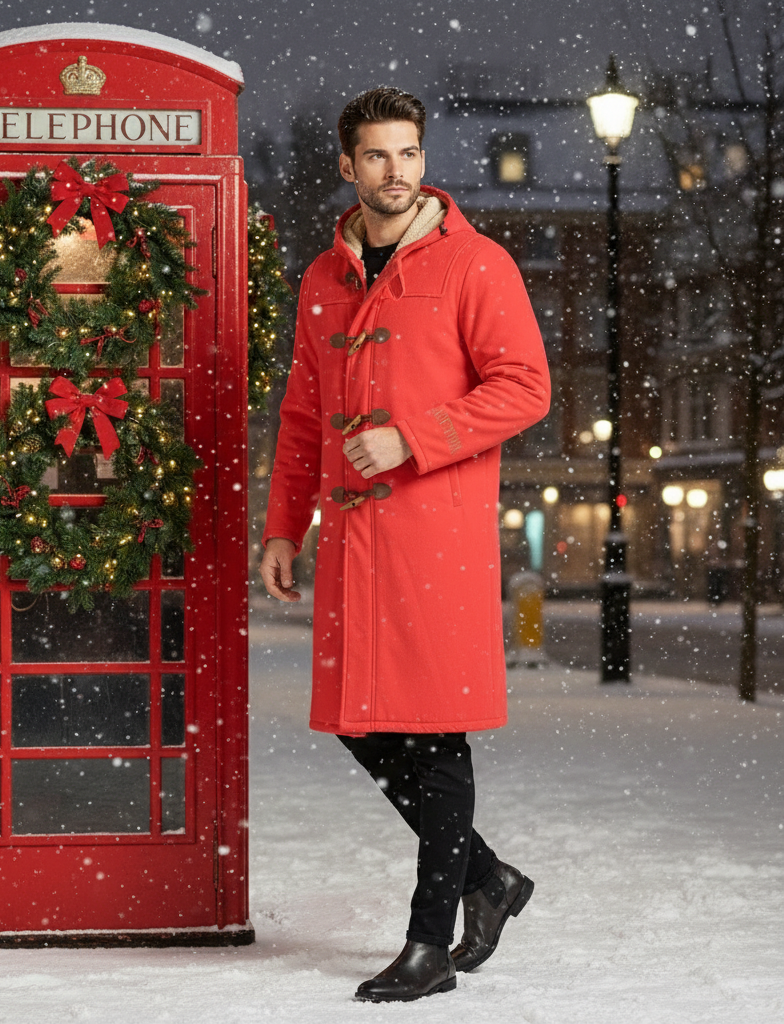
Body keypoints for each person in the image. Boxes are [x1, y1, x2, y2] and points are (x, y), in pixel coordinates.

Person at [258, 86, 551, 1003]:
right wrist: (283, 525)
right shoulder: (322, 278)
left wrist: (412, 437)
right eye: (377, 156)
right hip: (351, 539)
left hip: (437, 535)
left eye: (410, 155)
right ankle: (489, 879)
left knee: (432, 729)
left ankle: (429, 946)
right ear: (348, 165)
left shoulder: (477, 265)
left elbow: (525, 387)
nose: (397, 171)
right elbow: (303, 416)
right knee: (358, 721)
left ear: (424, 160)